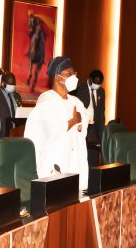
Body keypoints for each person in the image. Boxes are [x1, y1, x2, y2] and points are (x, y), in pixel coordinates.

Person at [24, 56, 90, 190]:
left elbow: (84, 122)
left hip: (75, 161)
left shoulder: (76, 101)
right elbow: (49, 130)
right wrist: (72, 121)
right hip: (55, 161)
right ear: (57, 77)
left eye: (74, 73)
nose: (73, 77)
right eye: (69, 73)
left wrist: (80, 122)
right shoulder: (46, 101)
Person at [74, 69, 106, 166]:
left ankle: (92, 174)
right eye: (96, 83)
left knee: (93, 159)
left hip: (94, 129)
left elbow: (101, 112)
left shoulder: (101, 92)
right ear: (90, 79)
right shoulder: (80, 88)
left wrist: (101, 133)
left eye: (99, 84)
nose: (97, 85)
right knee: (81, 158)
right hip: (82, 127)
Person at [0, 69, 20, 139]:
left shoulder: (17, 96)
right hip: (2, 134)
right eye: (10, 85)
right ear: (3, 84)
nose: (12, 87)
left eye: (13, 85)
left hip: (17, 133)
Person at [26, 11, 47, 90]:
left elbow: (42, 44)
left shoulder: (41, 34)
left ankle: (33, 83)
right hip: (34, 51)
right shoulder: (34, 32)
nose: (38, 27)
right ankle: (30, 77)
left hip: (38, 52)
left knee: (36, 71)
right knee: (31, 67)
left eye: (39, 26)